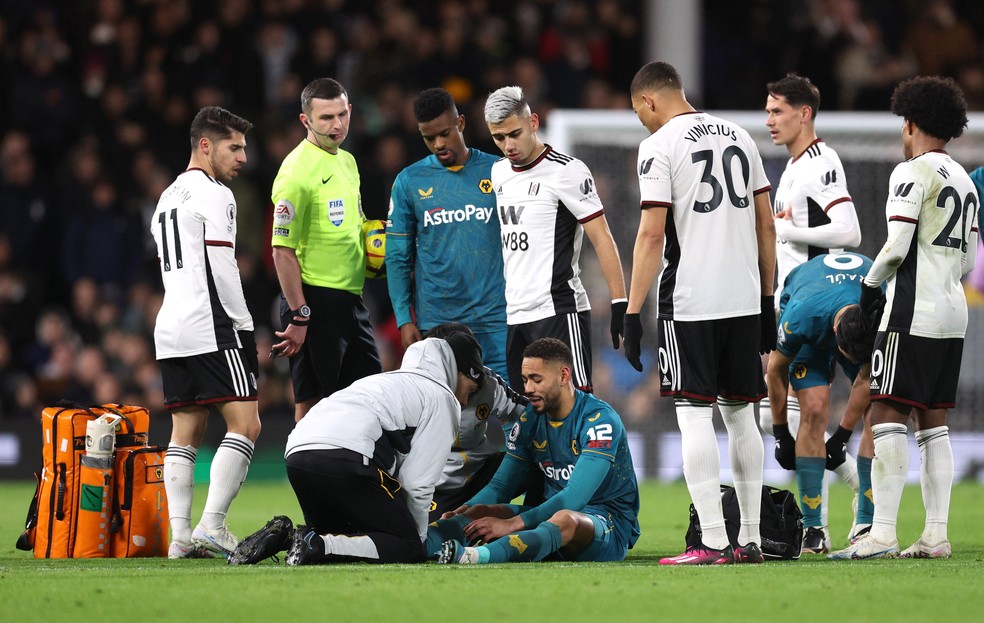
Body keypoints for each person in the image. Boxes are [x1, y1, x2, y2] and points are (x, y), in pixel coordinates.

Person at [622, 61, 775, 564]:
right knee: (741, 416)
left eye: (638, 112)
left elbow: (650, 234)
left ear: (649, 101)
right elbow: (766, 226)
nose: (641, 122)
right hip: (744, 299)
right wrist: (769, 300)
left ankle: (711, 540)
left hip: (690, 301)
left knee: (692, 416)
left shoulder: (659, 145)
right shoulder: (740, 135)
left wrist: (632, 309)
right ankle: (750, 539)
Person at [840, 76, 979, 560]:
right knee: (934, 423)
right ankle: (936, 535)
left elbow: (896, 245)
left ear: (911, 123)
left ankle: (881, 533)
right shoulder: (965, 180)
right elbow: (966, 262)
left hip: (911, 314)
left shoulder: (913, 172)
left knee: (887, 415)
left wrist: (870, 286)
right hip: (953, 314)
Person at [230, 331, 485, 565]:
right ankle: (315, 543)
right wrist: (416, 538)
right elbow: (417, 484)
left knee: (353, 537)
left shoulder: (386, 380)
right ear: (459, 372)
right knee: (405, 547)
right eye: (469, 390)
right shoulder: (442, 396)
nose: (464, 401)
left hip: (298, 454)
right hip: (346, 457)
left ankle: (289, 538)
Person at [152, 106, 260, 559]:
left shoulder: (166, 195)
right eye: (234, 147)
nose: (242, 158)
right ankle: (212, 525)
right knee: (247, 424)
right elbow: (222, 266)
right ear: (205, 145)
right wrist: (245, 325)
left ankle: (179, 538)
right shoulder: (216, 194)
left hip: (171, 326)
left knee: (186, 431)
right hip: (212, 324)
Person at [763, 73, 864, 553]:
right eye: (768, 110)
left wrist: (791, 234)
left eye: (778, 110)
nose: (769, 120)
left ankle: (870, 516)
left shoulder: (821, 162)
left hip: (827, 310)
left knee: (874, 401)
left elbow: (849, 230)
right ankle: (816, 529)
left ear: (804, 114)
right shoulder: (793, 168)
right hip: (799, 307)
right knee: (815, 412)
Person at [429, 338, 640, 564]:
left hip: (605, 524)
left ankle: (473, 556)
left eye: (536, 380)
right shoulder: (530, 420)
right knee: (479, 511)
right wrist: (467, 509)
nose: (528, 389)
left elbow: (574, 497)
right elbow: (501, 486)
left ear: (563, 376)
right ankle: (418, 545)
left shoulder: (599, 421)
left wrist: (511, 524)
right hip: (547, 518)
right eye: (525, 380)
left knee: (566, 518)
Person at [483, 85, 628, 395]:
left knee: (572, 413)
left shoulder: (567, 172)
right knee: (528, 418)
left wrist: (620, 302)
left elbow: (602, 238)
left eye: (514, 133)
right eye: (499, 137)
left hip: (558, 311)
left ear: (534, 123)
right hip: (515, 317)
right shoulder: (498, 173)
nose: (508, 145)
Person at [270, 77, 381, 422]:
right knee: (313, 403)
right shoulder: (295, 173)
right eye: (326, 118)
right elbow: (281, 251)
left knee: (369, 396)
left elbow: (355, 224)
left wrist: (377, 247)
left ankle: (357, 473)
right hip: (313, 301)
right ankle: (305, 475)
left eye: (342, 115)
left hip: (350, 298)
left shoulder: (347, 161)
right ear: (305, 121)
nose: (337, 125)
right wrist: (300, 313)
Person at [387, 88, 508, 378]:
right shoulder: (409, 182)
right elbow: (397, 257)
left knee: (512, 411)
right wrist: (404, 320)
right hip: (439, 324)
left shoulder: (499, 171)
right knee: (450, 416)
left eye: (445, 133)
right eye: (429, 138)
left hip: (498, 319)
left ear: (461, 124)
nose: (439, 144)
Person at [763, 252, 879, 556]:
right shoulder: (801, 316)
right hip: (811, 328)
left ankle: (866, 523)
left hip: (852, 316)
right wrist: (780, 434)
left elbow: (866, 377)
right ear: (835, 339)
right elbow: (774, 369)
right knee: (814, 409)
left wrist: (842, 436)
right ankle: (814, 529)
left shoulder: (877, 304)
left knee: (876, 415)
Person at [423, 322, 527, 521]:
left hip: (482, 473)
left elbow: (527, 412)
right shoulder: (415, 392)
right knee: (428, 541)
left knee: (539, 466)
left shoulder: (488, 383)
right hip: (436, 488)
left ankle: (539, 529)